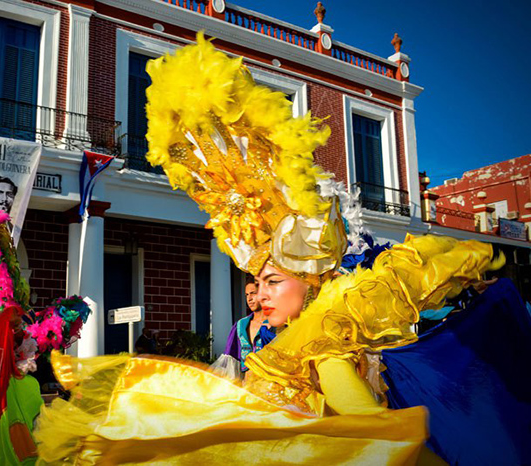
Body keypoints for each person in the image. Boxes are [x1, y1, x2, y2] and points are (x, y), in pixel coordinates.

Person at [34, 35, 504, 465]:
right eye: (258, 283)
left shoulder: (323, 338)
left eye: (274, 281)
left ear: (312, 280)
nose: (259, 294)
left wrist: (391, 442)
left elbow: (355, 411)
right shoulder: (289, 338)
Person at [211, 277, 274, 379]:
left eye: (253, 293)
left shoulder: (277, 325)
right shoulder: (240, 326)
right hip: (247, 388)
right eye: (247, 295)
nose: (249, 298)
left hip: (271, 389)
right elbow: (230, 361)